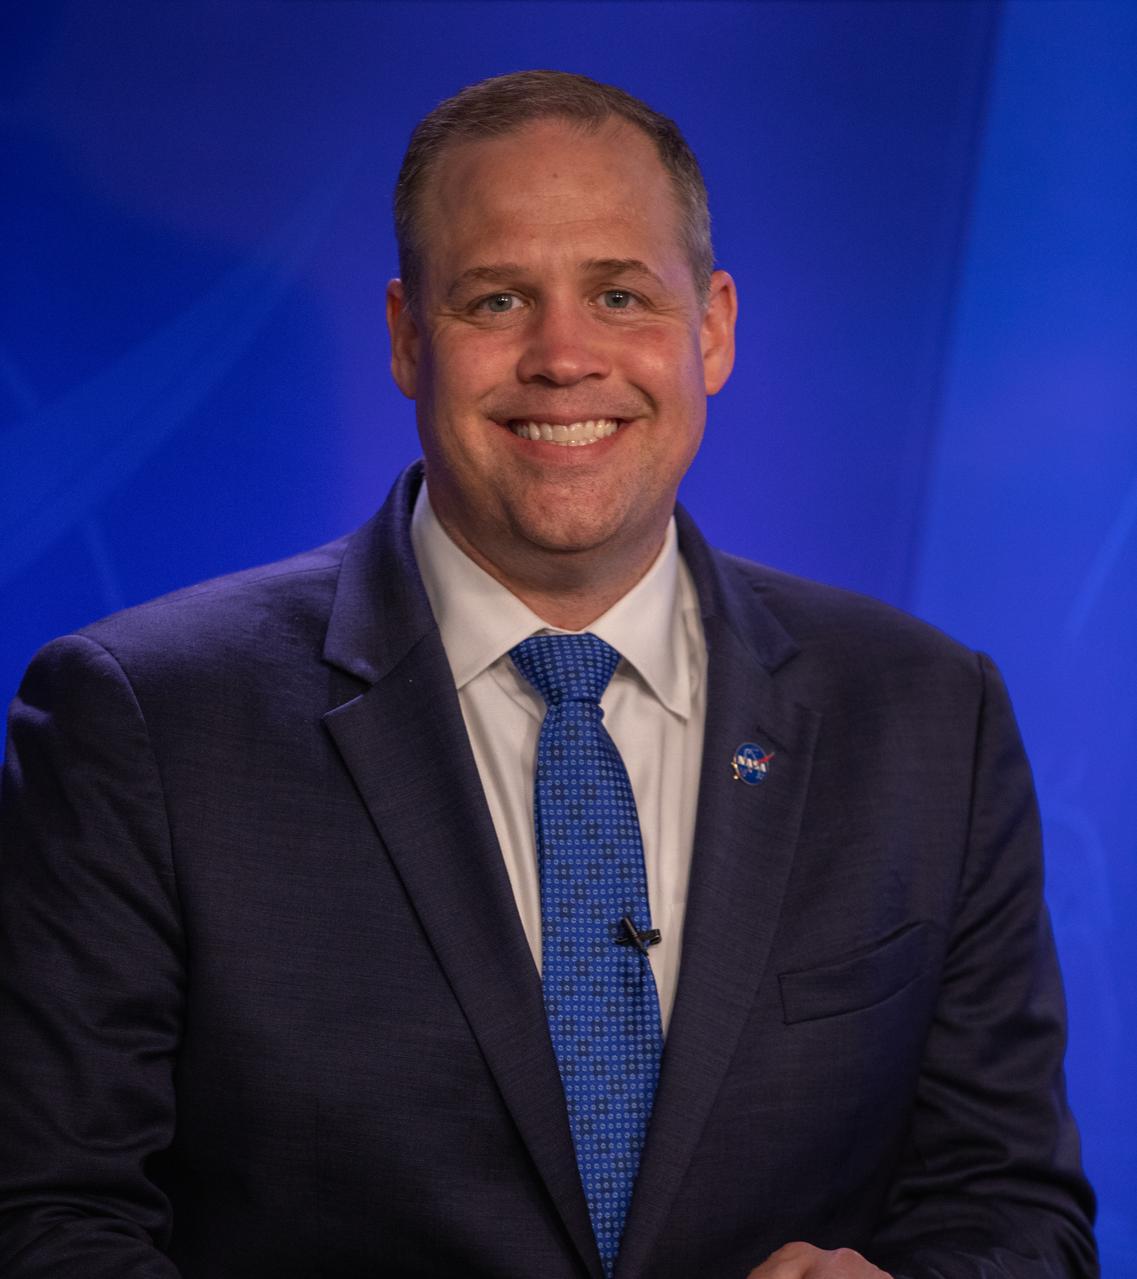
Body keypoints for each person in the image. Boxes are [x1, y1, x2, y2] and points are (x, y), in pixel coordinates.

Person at [0, 70, 1096, 1279]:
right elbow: (51, 1218)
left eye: (621, 294)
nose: (563, 357)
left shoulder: (934, 715)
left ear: (713, 329)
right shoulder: (144, 720)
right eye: (497, 298)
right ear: (409, 338)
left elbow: (1013, 1208)